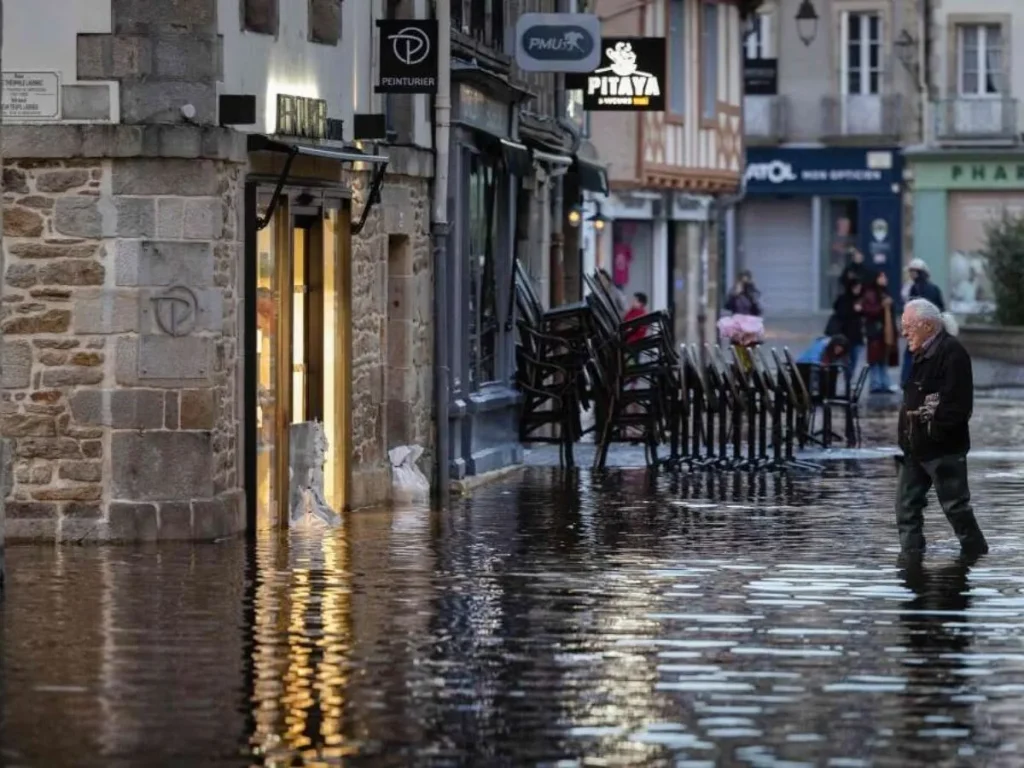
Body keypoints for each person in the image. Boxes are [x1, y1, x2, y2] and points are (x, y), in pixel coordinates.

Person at [896, 298, 988, 557]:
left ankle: (976, 555)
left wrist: (933, 431)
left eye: (908, 326)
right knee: (906, 508)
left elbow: (958, 406)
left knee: (956, 509)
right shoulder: (922, 352)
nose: (904, 332)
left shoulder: (952, 352)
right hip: (915, 448)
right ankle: (911, 561)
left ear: (927, 325)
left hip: (942, 449)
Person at [901, 259, 945, 387]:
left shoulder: (916, 289)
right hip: (928, 328)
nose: (911, 275)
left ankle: (908, 380)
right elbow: (941, 308)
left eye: (913, 272)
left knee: (912, 355)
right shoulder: (930, 288)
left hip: (920, 328)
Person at [861, 271, 900, 393]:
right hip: (875, 332)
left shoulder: (885, 293)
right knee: (875, 359)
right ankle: (876, 384)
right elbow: (868, 311)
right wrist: (881, 306)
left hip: (885, 332)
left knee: (883, 359)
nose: (885, 279)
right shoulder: (871, 294)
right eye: (882, 277)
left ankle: (884, 383)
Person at [832, 274, 865, 376]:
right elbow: (840, 313)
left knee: (853, 360)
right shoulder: (844, 299)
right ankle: (847, 380)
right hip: (845, 335)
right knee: (845, 360)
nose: (858, 290)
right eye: (856, 287)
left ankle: (849, 381)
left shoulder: (860, 299)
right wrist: (853, 309)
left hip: (857, 335)